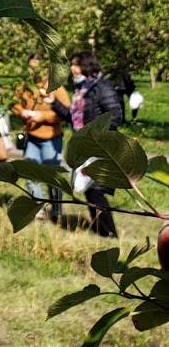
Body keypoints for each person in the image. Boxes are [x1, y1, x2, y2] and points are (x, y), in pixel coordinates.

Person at [48, 51, 123, 238]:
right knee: (90, 191)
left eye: (76, 64)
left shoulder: (101, 87)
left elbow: (115, 115)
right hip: (85, 147)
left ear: (87, 65)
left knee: (96, 190)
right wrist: (54, 104)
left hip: (99, 147)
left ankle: (110, 234)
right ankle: (101, 231)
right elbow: (73, 119)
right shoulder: (81, 91)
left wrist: (96, 135)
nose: (72, 69)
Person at [13, 56, 69, 223]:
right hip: (32, 136)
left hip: (51, 137)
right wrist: (22, 112)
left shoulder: (55, 88)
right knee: (30, 171)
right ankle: (38, 206)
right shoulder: (25, 86)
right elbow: (14, 103)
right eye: (31, 68)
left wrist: (42, 116)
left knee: (51, 174)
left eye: (36, 68)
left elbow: (64, 112)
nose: (33, 72)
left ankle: (57, 207)